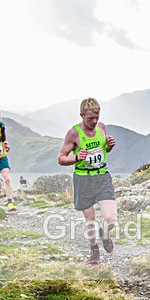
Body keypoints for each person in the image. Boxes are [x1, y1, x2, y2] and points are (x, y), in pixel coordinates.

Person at [57, 98, 117, 265]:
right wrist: (76, 158)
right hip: (83, 179)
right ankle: (94, 248)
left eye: (97, 117)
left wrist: (109, 146)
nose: (94, 121)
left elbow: (104, 150)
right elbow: (61, 158)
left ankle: (104, 234)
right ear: (82, 115)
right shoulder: (73, 133)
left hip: (102, 175)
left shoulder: (101, 127)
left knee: (111, 218)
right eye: (90, 118)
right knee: (90, 220)